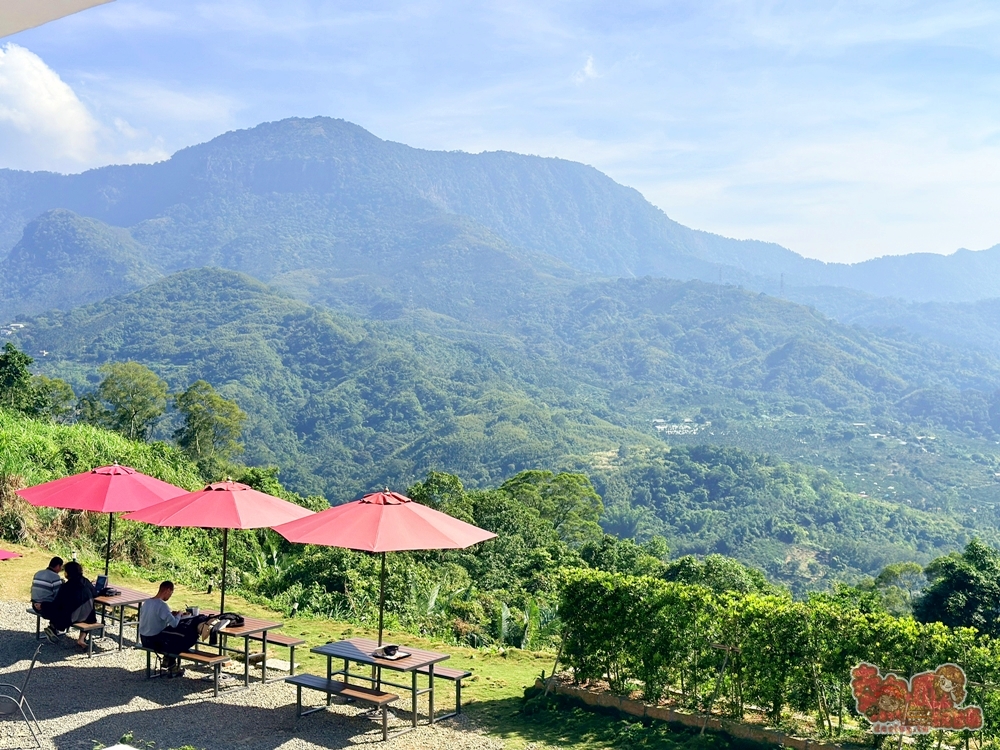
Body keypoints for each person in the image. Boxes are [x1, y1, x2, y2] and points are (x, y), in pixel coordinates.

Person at [138, 581, 199, 677]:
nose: (170, 596)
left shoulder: (147, 602)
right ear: (167, 590)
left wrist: (170, 614)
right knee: (180, 638)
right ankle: (172, 665)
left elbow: (156, 616)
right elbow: (174, 624)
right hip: (155, 641)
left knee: (170, 634)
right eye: (171, 593)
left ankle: (168, 660)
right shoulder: (162, 605)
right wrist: (179, 614)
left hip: (144, 638)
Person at [39, 561, 97, 649]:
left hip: (70, 618)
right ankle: (81, 639)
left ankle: (52, 627)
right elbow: (94, 593)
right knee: (89, 612)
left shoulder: (66, 587)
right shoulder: (86, 581)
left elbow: (57, 604)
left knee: (50, 608)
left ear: (68, 573)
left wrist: (43, 605)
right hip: (89, 617)